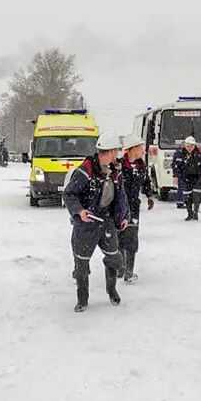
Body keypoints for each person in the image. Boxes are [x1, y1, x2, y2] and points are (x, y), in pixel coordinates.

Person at [63, 132, 130, 312]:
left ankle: (111, 290)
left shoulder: (115, 171)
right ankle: (82, 299)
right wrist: (79, 211)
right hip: (87, 224)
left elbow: (121, 196)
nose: (117, 155)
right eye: (115, 151)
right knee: (82, 263)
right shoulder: (85, 171)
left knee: (114, 258)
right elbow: (69, 194)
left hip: (106, 221)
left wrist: (124, 216)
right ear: (107, 152)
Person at [119, 134, 155, 283]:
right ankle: (120, 267)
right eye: (141, 148)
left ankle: (129, 271)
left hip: (134, 207)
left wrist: (149, 195)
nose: (143, 151)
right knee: (119, 238)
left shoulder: (141, 166)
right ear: (132, 149)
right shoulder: (119, 165)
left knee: (132, 239)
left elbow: (146, 182)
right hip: (119, 208)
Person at [172, 136, 201, 221]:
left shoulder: (200, 152)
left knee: (197, 196)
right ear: (184, 145)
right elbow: (175, 166)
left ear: (194, 146)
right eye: (187, 146)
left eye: (191, 146)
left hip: (198, 177)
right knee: (187, 197)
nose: (189, 148)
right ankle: (189, 213)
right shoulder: (179, 153)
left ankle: (195, 212)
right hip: (185, 178)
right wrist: (176, 176)